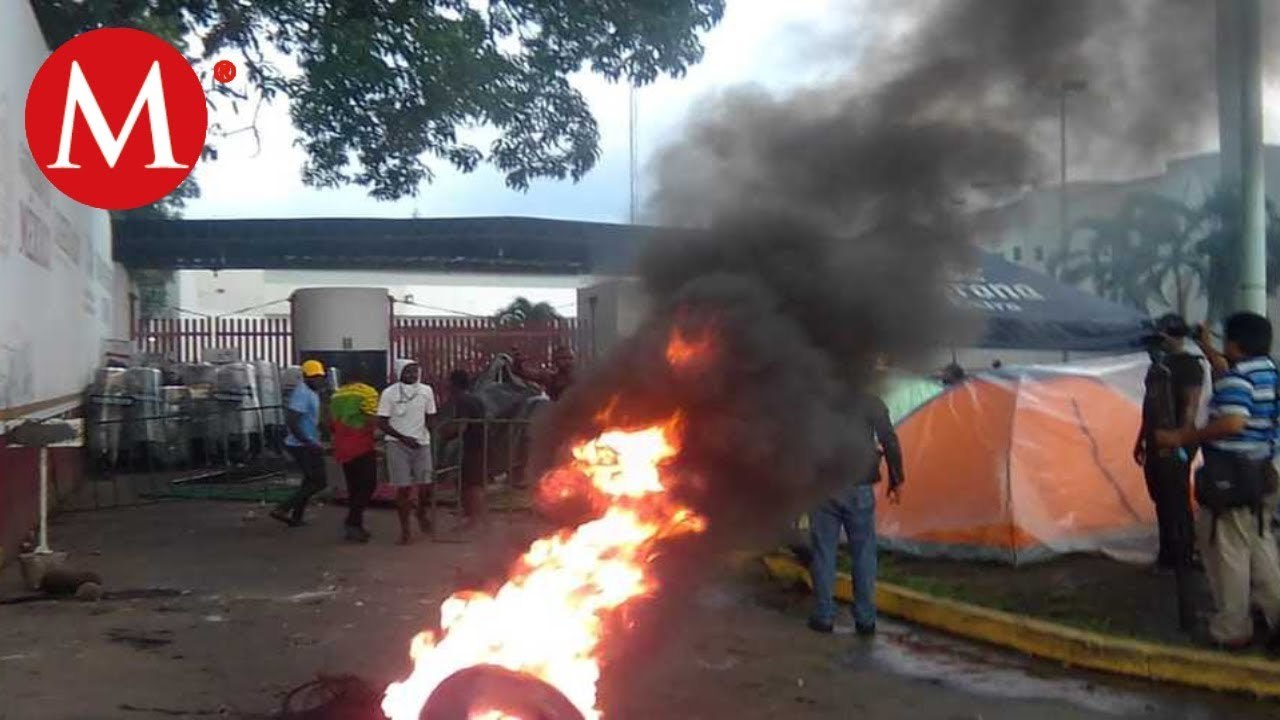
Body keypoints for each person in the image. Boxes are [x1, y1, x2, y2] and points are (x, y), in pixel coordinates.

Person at [1155, 312, 1280, 650]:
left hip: (1232, 479)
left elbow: (1233, 422)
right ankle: (1275, 616)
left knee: (1228, 555)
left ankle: (1232, 629)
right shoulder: (1268, 371)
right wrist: (1206, 347)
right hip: (1261, 476)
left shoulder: (1238, 379)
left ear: (1236, 344)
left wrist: (1182, 437)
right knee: (1261, 546)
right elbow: (1230, 374)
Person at [808, 391, 905, 637]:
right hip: (859, 486)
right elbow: (889, 440)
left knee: (823, 552)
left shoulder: (820, 396)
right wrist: (897, 479)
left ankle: (824, 616)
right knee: (863, 554)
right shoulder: (870, 401)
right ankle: (865, 620)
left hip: (824, 486)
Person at [1134, 313, 1206, 631]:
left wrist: (1178, 442)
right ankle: (1167, 553)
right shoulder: (1156, 366)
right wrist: (1142, 440)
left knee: (1176, 499)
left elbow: (1190, 407)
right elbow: (1149, 407)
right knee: (1161, 497)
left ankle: (1183, 556)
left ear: (1172, 336)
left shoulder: (1188, 365)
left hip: (1174, 443)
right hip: (1155, 440)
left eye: (1161, 337)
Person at [379, 359, 438, 545]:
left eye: (415, 372)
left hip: (422, 443)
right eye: (408, 372)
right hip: (397, 444)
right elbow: (381, 422)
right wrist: (404, 438)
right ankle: (405, 531)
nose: (413, 375)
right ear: (399, 373)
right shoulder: (389, 394)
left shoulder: (426, 391)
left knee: (426, 485)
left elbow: (431, 417)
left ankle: (421, 512)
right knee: (403, 488)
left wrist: (430, 437)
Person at [272, 359, 328, 528]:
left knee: (309, 480)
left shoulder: (312, 392)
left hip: (308, 441)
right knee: (318, 482)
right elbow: (292, 421)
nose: (318, 380)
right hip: (302, 444)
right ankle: (283, 508)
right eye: (314, 377)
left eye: (319, 376)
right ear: (305, 377)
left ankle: (296, 516)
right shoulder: (302, 393)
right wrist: (308, 442)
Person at [330, 382, 380, 543]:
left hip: (342, 447)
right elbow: (373, 419)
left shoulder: (337, 395)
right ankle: (352, 522)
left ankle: (355, 526)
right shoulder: (368, 392)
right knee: (368, 485)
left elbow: (329, 423)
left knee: (354, 488)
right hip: (361, 447)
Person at [441, 369, 489, 533]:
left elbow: (462, 425)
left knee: (472, 485)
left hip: (471, 448)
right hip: (480, 445)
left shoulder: (462, 400)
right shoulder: (477, 399)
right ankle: (476, 519)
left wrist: (445, 433)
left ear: (453, 384)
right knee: (468, 483)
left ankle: (475, 521)